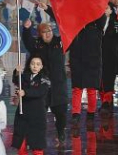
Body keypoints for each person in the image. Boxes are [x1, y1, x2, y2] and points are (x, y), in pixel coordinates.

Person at [21, 8, 67, 146]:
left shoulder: (60, 42)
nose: (47, 34)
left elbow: (63, 22)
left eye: (49, 31)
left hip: (59, 85)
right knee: (38, 114)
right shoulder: (37, 45)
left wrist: (48, 10)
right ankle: (35, 137)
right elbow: (27, 41)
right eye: (43, 32)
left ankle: (61, 134)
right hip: (42, 85)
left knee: (61, 114)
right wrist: (27, 29)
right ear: (39, 34)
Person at [69, 9, 109, 123]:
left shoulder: (98, 28)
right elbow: (61, 18)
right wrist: (47, 9)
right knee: (77, 89)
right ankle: (75, 114)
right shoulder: (75, 28)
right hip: (78, 61)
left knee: (92, 90)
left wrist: (99, 7)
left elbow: (102, 17)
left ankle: (91, 113)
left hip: (93, 62)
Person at [11, 55, 50, 155]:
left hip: (37, 115)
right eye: (32, 64)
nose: (35, 66)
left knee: (37, 144)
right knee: (21, 142)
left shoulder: (44, 79)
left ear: (41, 66)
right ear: (29, 65)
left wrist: (25, 92)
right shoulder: (24, 76)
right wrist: (17, 72)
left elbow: (40, 91)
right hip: (23, 113)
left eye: (38, 64)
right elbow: (16, 81)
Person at [99, 0, 118, 113]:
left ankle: (107, 101)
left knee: (109, 76)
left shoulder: (116, 19)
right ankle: (103, 99)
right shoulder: (98, 20)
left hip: (111, 52)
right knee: (100, 76)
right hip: (98, 52)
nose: (106, 10)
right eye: (105, 8)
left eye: (108, 8)